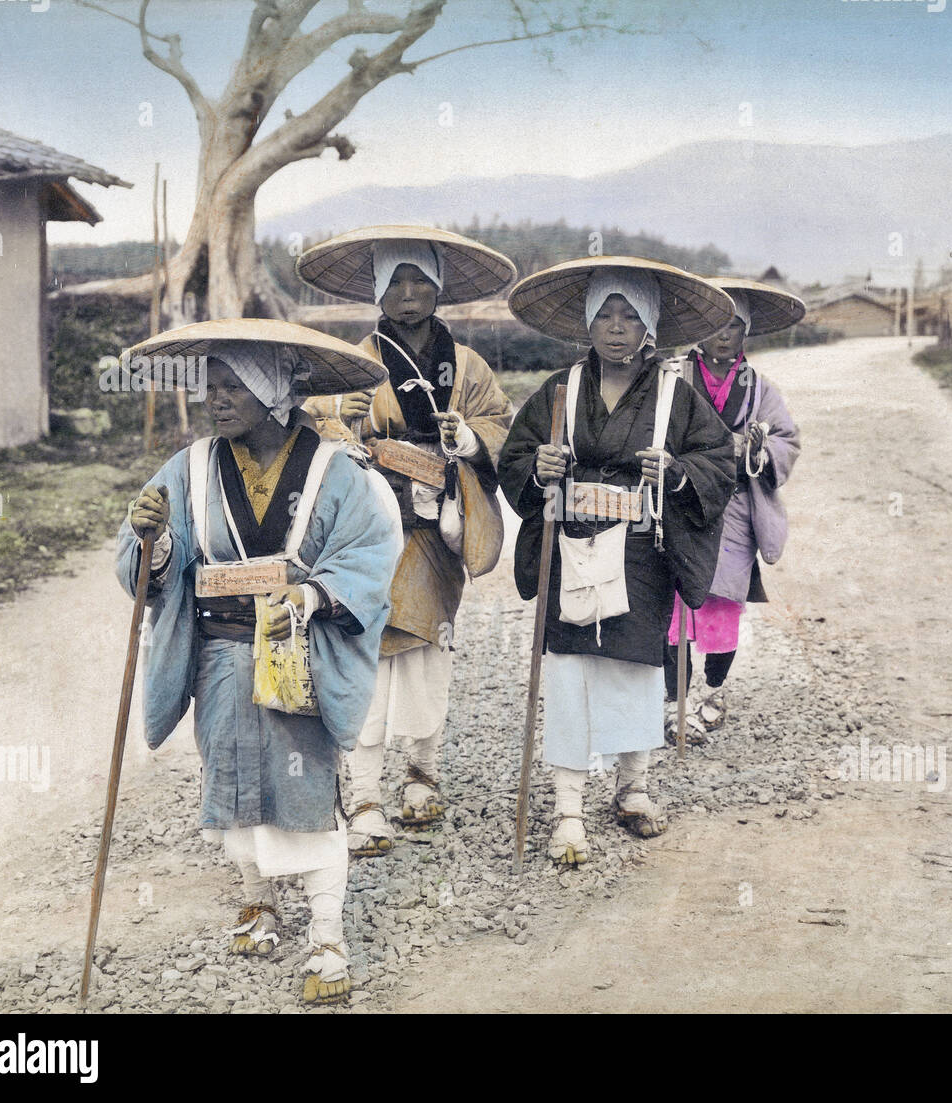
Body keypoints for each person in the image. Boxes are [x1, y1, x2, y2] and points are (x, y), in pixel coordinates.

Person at [116, 319, 401, 1006]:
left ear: (274, 390)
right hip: (220, 657)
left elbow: (368, 552)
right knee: (232, 781)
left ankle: (327, 936)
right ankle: (256, 899)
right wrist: (149, 538)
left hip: (296, 650)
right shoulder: (187, 469)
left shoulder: (336, 469)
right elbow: (152, 567)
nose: (217, 400)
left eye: (233, 385)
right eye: (210, 386)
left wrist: (310, 594)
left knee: (305, 793)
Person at [499, 257, 736, 867]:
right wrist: (538, 469)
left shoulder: (675, 398)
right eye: (604, 313)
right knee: (570, 672)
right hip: (570, 548)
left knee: (634, 670)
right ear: (586, 322)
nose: (615, 327)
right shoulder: (559, 391)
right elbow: (515, 458)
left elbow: (718, 462)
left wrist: (677, 474)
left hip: (639, 552)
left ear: (650, 327)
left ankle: (633, 788)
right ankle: (569, 807)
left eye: (630, 316)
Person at [296, 226, 516, 856]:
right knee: (365, 651)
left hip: (435, 528)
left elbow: (498, 423)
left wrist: (465, 438)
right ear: (378, 290)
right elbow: (316, 428)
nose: (410, 292)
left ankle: (422, 775)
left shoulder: (466, 364)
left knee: (428, 653)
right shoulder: (354, 362)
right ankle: (363, 794)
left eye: (422, 278)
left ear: (439, 287)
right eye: (397, 280)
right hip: (369, 528)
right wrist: (350, 421)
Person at [664, 278, 803, 740]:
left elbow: (787, 439)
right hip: (680, 503)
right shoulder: (671, 376)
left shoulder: (760, 387)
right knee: (676, 601)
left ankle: (713, 692)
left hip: (736, 509)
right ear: (697, 327)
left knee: (721, 601)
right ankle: (672, 701)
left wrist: (759, 451)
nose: (723, 334)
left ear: (747, 333)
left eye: (735, 326)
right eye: (715, 323)